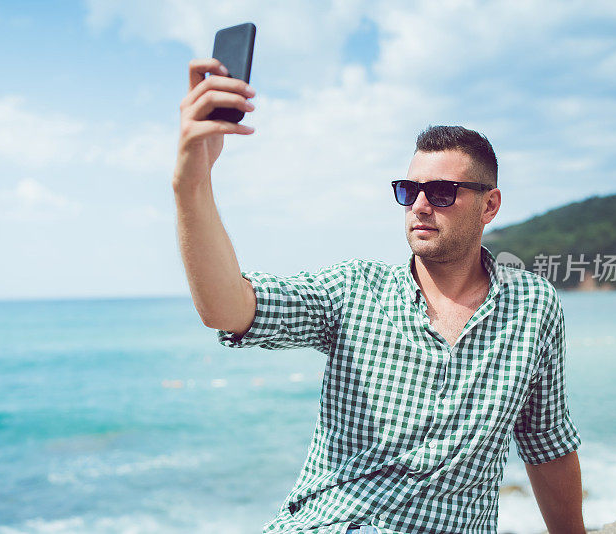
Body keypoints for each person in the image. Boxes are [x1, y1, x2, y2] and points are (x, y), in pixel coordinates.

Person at [173, 57, 585, 534]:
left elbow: (546, 444)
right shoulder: (355, 292)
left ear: (490, 205)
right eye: (409, 191)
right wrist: (192, 183)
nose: (421, 206)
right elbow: (229, 309)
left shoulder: (531, 308)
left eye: (443, 192)